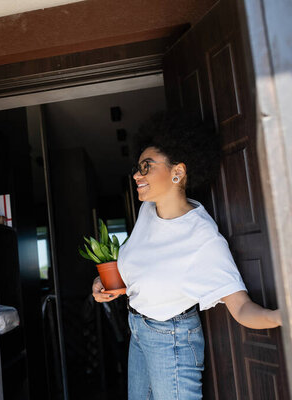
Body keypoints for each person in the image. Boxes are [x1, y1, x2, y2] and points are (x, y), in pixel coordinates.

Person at [92, 113, 281, 400]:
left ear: (177, 172)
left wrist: (281, 317)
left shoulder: (202, 237)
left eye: (146, 167)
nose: (136, 175)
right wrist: (104, 282)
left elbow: (242, 308)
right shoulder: (147, 211)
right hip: (139, 329)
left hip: (173, 340)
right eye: (137, 168)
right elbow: (143, 264)